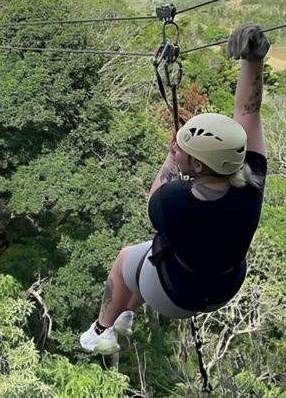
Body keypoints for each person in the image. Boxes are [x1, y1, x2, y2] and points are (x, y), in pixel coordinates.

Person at [81, 23, 270, 354]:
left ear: (197, 166)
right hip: (223, 287)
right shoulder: (251, 178)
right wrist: (253, 59)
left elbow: (155, 197)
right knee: (148, 258)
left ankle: (100, 331)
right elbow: (248, 110)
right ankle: (125, 313)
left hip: (176, 295)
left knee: (127, 259)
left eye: (184, 149)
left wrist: (170, 159)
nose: (177, 148)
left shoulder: (176, 201)